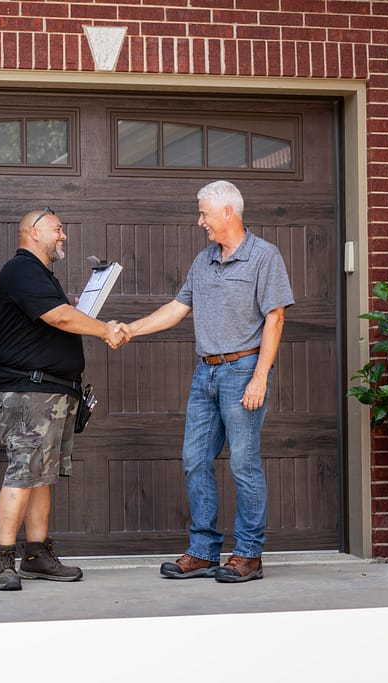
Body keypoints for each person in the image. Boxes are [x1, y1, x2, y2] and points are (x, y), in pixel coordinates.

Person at [120, 181, 293, 583]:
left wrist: (260, 377)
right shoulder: (204, 260)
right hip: (205, 373)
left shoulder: (264, 256)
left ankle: (248, 554)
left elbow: (276, 317)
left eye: (204, 214)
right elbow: (177, 307)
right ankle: (203, 551)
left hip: (243, 370)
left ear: (228, 212)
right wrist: (131, 329)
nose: (200, 222)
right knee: (195, 460)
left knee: (244, 464)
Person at [0, 207, 126, 591]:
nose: (63, 236)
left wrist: (78, 311)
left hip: (52, 392)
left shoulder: (41, 276)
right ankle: (2, 560)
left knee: (42, 477)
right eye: (58, 229)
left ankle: (37, 556)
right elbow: (60, 318)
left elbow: (59, 316)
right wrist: (104, 330)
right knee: (23, 473)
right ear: (34, 233)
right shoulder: (21, 270)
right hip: (29, 393)